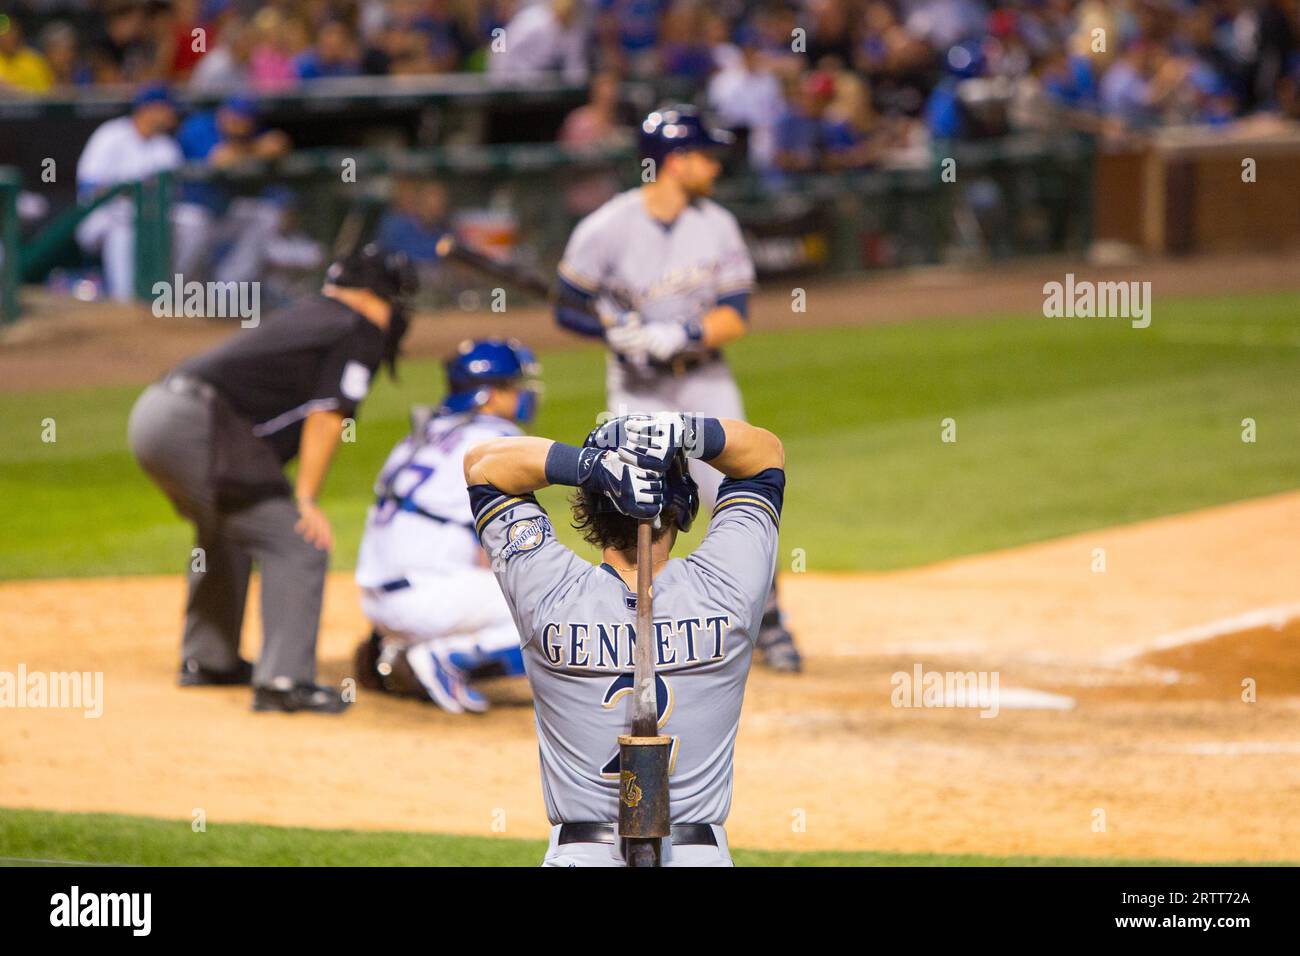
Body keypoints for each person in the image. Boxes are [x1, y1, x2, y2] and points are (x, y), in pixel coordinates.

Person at [462, 412, 786, 865]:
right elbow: (764, 457)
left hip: (581, 854)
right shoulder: (729, 586)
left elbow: (483, 466)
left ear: (589, 509)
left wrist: (589, 466)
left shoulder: (548, 593)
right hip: (698, 856)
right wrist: (689, 432)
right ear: (685, 506)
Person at [551, 104, 803, 672]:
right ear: (675, 160)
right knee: (634, 500)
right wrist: (617, 336)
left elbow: (735, 315)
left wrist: (680, 333)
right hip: (637, 391)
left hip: (706, 382)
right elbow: (566, 309)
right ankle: (630, 622)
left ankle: (769, 622)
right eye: (705, 155)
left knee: (744, 493)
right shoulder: (605, 227)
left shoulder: (717, 225)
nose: (714, 166)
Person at [126, 244, 417, 714]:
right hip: (197, 424)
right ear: (375, 294)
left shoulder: (314, 314)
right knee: (298, 541)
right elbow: (328, 416)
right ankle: (284, 681)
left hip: (155, 412)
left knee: (229, 530)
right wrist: (305, 499)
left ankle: (209, 659)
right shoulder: (356, 326)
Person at [354, 339, 541, 714]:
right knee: (553, 605)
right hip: (424, 601)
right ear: (489, 395)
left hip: (379, 602)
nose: (520, 395)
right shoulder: (497, 441)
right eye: (512, 386)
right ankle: (448, 657)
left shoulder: (425, 432)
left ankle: (392, 651)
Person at [75, 83, 183, 302]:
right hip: (102, 216)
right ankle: (123, 302)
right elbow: (89, 186)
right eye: (167, 109)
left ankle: (171, 294)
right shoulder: (111, 134)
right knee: (123, 228)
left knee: (190, 223)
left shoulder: (167, 147)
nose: (172, 115)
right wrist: (130, 193)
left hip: (150, 218)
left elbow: (172, 195)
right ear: (149, 109)